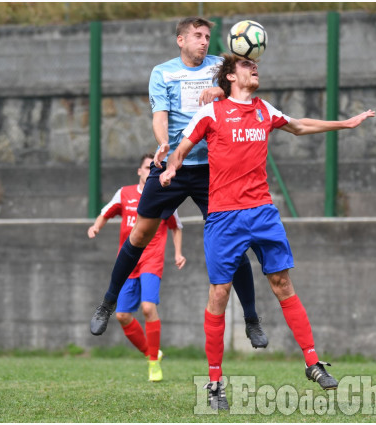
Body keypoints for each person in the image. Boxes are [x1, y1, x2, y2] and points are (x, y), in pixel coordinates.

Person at [160, 54, 375, 410]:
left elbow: (300, 126)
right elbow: (182, 146)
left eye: (254, 64)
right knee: (219, 294)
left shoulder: (264, 109)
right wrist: (170, 170)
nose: (254, 67)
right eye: (246, 64)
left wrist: (346, 124)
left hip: (262, 213)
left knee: (283, 284)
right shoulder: (212, 112)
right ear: (230, 76)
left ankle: (312, 362)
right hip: (225, 217)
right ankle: (215, 383)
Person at [90, 17, 268, 349]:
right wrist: (163, 145)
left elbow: (243, 85)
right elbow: (160, 116)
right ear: (180, 40)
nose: (204, 41)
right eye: (197, 36)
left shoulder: (221, 65)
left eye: (207, 36)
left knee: (234, 243)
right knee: (139, 234)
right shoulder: (163, 73)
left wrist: (221, 89)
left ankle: (252, 319)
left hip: (213, 169)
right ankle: (107, 302)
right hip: (174, 163)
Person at [88, 153, 186, 382]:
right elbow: (106, 212)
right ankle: (152, 354)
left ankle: (154, 365)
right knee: (122, 315)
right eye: (146, 167)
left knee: (148, 308)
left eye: (154, 168)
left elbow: (176, 226)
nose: (149, 171)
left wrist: (179, 253)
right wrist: (96, 227)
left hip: (152, 258)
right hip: (129, 261)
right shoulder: (125, 193)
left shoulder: (163, 194)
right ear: (140, 171)